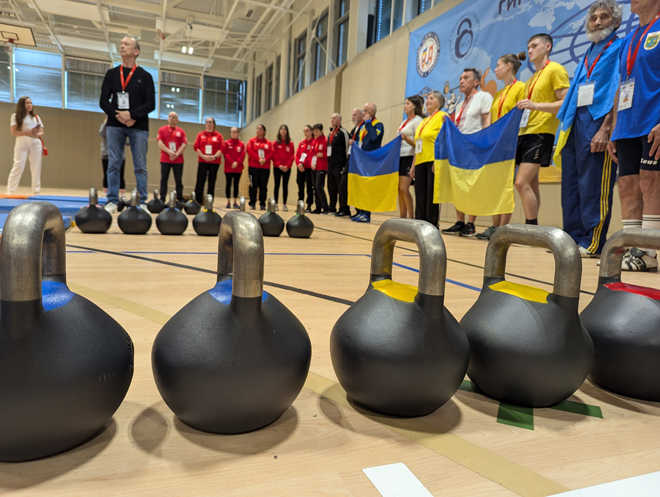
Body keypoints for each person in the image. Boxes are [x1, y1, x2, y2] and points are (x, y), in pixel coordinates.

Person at [557, 1, 622, 257]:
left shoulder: (619, 47)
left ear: (616, 22)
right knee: (571, 184)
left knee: (593, 184)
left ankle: (593, 242)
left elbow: (617, 88)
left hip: (598, 121)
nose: (597, 22)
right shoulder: (588, 52)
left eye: (604, 17)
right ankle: (571, 239)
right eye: (593, 18)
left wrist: (607, 127)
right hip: (576, 121)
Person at [607, 0, 660, 271]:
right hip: (627, 123)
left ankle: (648, 251)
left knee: (651, 183)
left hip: (653, 119)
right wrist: (614, 126)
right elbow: (620, 85)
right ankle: (631, 247)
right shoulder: (628, 39)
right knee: (627, 186)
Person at [515, 33, 570, 225]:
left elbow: (565, 102)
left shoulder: (555, 69)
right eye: (528, 46)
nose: (529, 49)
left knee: (520, 182)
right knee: (531, 183)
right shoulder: (530, 80)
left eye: (534, 45)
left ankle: (531, 228)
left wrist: (535, 106)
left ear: (547, 47)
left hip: (541, 132)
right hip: (525, 132)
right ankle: (534, 228)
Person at [99, 36, 155, 212]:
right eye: (121, 44)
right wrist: (119, 116)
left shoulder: (145, 77)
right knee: (114, 163)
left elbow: (150, 104)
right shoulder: (112, 74)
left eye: (127, 44)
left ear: (136, 52)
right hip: (115, 125)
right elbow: (103, 101)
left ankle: (143, 201)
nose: (122, 46)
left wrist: (131, 115)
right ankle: (113, 201)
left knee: (140, 166)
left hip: (138, 127)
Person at [476, 53, 527, 240]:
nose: (495, 69)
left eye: (498, 65)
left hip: (511, 144)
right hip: (497, 146)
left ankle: (503, 228)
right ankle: (494, 226)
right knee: (494, 186)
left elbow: (521, 117)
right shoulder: (498, 93)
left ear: (509, 66)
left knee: (506, 185)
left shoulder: (521, 88)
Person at [442, 68, 493, 237]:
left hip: (475, 146)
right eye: (460, 78)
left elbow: (487, 120)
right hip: (460, 148)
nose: (461, 81)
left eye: (466, 78)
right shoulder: (459, 105)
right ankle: (460, 221)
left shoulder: (484, 97)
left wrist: (484, 143)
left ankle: (471, 224)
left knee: (473, 185)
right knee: (458, 185)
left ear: (476, 82)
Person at [411, 91, 446, 228]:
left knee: (431, 195)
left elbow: (444, 140)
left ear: (440, 102)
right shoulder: (424, 120)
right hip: (420, 161)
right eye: (427, 98)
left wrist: (439, 160)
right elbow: (418, 144)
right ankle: (419, 225)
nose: (428, 100)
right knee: (420, 195)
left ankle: (431, 225)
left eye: (432, 98)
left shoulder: (443, 116)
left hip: (433, 160)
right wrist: (413, 165)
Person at [352, 102, 384, 223]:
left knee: (367, 188)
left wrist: (369, 123)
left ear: (371, 112)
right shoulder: (363, 126)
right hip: (361, 159)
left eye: (365, 111)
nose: (363, 113)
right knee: (361, 187)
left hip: (371, 160)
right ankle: (360, 212)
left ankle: (366, 214)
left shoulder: (377, 124)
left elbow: (374, 138)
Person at [7, 96, 44, 195]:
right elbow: (14, 132)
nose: (30, 105)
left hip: (35, 142)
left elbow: (41, 132)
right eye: (27, 103)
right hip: (22, 142)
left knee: (36, 167)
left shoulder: (36, 117)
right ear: (22, 105)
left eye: (31, 103)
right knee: (18, 164)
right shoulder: (16, 116)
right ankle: (10, 189)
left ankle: (36, 190)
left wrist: (35, 133)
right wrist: (26, 132)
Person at [397, 96, 424, 219]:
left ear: (414, 106)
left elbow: (418, 143)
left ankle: (411, 217)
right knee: (399, 189)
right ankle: (402, 218)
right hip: (400, 156)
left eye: (407, 103)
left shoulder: (418, 120)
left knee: (404, 188)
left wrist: (406, 139)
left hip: (410, 156)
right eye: (404, 103)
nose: (405, 106)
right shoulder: (404, 122)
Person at [157, 111, 187, 202]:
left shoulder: (181, 131)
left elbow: (184, 144)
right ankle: (162, 198)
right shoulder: (162, 129)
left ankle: (180, 198)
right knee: (164, 179)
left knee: (178, 180)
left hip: (178, 160)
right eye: (170, 116)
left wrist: (176, 154)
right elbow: (160, 142)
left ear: (177, 120)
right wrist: (169, 152)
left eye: (173, 117)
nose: (171, 118)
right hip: (165, 159)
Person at [193, 117, 224, 205]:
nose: (208, 124)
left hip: (214, 162)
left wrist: (214, 157)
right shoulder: (200, 134)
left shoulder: (219, 136)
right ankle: (198, 200)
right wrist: (203, 156)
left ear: (214, 124)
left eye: (210, 122)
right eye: (207, 122)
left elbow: (222, 148)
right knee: (200, 180)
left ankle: (209, 201)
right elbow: (196, 147)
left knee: (212, 181)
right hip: (203, 161)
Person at [327, 113, 350, 216]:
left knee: (341, 188)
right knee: (331, 187)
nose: (332, 120)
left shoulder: (343, 132)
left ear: (339, 121)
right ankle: (332, 208)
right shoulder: (330, 133)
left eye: (334, 118)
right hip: (330, 164)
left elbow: (347, 147)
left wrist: (345, 163)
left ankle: (344, 208)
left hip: (340, 164)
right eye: (331, 118)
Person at [246, 124, 272, 210]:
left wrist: (265, 159)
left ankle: (262, 203)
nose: (258, 130)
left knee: (263, 186)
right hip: (254, 167)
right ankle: (252, 202)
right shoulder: (251, 141)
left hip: (265, 167)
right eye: (257, 128)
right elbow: (249, 151)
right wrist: (258, 159)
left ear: (264, 131)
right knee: (253, 185)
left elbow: (271, 153)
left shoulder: (268, 143)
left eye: (260, 129)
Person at [99, 116, 126, 196]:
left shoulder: (121, 126)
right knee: (106, 173)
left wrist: (125, 143)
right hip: (106, 153)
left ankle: (122, 194)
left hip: (119, 154)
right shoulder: (104, 126)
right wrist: (106, 123)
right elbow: (102, 134)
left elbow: (129, 138)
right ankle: (106, 193)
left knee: (120, 173)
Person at [346, 108, 365, 218]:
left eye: (356, 115)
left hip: (359, 160)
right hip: (352, 158)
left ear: (362, 116)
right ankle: (357, 210)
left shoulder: (363, 127)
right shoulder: (354, 129)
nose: (353, 117)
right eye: (352, 115)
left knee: (359, 186)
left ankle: (361, 211)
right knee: (351, 185)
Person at [272, 124, 295, 211]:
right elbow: (273, 155)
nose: (283, 131)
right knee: (276, 185)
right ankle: (276, 204)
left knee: (285, 186)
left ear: (287, 131)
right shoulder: (275, 142)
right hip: (277, 168)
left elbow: (292, 156)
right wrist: (279, 165)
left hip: (287, 168)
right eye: (281, 129)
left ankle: (284, 204)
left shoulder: (290, 143)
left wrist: (287, 166)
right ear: (279, 131)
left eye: (284, 129)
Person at [222, 127, 246, 209]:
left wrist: (237, 162)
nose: (233, 133)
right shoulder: (226, 143)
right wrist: (232, 162)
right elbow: (225, 153)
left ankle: (235, 202)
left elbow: (243, 154)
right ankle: (228, 201)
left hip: (238, 168)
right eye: (232, 132)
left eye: (235, 132)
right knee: (228, 184)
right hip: (229, 168)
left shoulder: (241, 144)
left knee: (236, 185)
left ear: (238, 133)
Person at [295, 125, 314, 212]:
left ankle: (309, 205)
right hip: (300, 168)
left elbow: (311, 156)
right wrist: (299, 164)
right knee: (300, 187)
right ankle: (300, 205)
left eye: (307, 131)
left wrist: (304, 164)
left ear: (311, 131)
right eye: (304, 131)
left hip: (308, 168)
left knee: (309, 187)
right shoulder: (301, 143)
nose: (306, 133)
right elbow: (297, 155)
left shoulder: (314, 142)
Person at [311, 123, 329, 214]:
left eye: (317, 131)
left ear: (321, 131)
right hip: (314, 167)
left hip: (322, 167)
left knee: (319, 187)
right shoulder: (314, 141)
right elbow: (312, 154)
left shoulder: (326, 140)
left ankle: (325, 207)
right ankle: (318, 207)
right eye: (314, 131)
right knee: (315, 187)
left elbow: (329, 153)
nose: (315, 133)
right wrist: (311, 163)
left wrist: (323, 155)